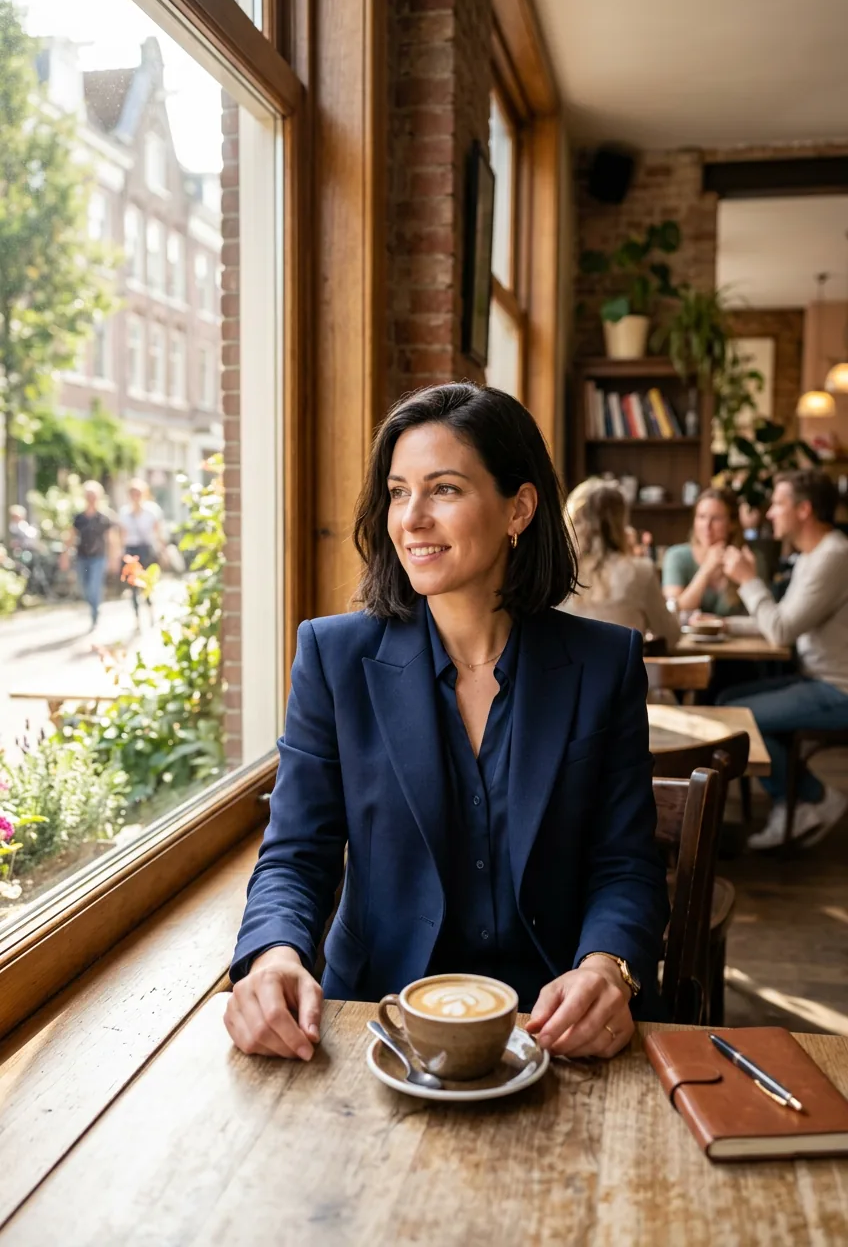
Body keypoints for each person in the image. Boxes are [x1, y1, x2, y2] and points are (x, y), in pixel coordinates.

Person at [225, 383, 668, 1063]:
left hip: (551, 1023)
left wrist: (608, 966)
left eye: (445, 490)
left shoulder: (604, 665)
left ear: (518, 508)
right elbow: (296, 853)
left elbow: (626, 864)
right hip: (374, 1021)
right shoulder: (333, 657)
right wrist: (274, 956)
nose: (412, 519)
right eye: (399, 492)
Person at [720, 470, 848, 849]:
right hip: (816, 678)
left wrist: (747, 579)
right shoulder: (813, 555)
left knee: (735, 718)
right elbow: (779, 619)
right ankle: (800, 798)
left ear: (804, 509)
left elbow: (779, 630)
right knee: (727, 704)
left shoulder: (832, 556)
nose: (770, 512)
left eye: (778, 503)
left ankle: (812, 799)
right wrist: (724, 623)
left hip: (838, 689)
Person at [560, 478, 681, 649]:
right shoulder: (640, 571)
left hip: (564, 674)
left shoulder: (555, 573)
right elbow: (670, 635)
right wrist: (674, 607)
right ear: (621, 522)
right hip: (621, 675)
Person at [663, 487, 762, 617]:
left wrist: (748, 576)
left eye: (716, 518)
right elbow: (673, 612)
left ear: (731, 524)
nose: (707, 526)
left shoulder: (747, 559)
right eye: (701, 517)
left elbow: (759, 617)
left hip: (738, 637)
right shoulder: (676, 556)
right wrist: (706, 569)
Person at [119, 479, 165, 626]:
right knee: (133, 585)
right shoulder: (125, 512)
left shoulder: (152, 511)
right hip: (131, 551)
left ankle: (151, 612)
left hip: (147, 550)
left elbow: (158, 532)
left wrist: (162, 550)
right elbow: (122, 535)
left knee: (147, 582)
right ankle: (137, 618)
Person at [71, 481, 116, 629]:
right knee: (83, 587)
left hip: (98, 557)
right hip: (82, 557)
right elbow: (71, 536)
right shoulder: (79, 517)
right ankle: (93, 606)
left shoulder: (104, 517)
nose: (91, 498)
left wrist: (113, 559)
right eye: (88, 495)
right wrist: (64, 555)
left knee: (94, 586)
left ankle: (95, 612)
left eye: (93, 495)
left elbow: (111, 539)